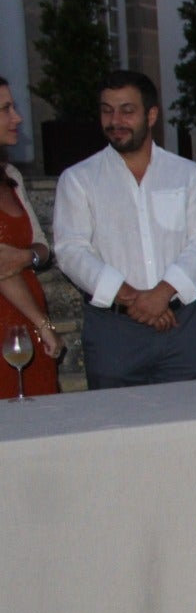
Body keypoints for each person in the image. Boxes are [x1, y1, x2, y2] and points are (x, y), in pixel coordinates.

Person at [53, 71, 196, 390]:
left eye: (127, 110)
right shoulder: (79, 179)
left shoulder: (187, 174)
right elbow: (71, 250)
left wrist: (162, 294)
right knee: (117, 432)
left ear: (151, 115)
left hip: (179, 328)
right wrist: (134, 299)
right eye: (106, 110)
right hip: (114, 331)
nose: (115, 121)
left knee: (188, 427)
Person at [0, 77, 61, 396]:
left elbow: (41, 245)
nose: (17, 118)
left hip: (27, 322)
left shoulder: (11, 176)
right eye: (5, 109)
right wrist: (43, 324)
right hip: (15, 324)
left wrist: (27, 256)